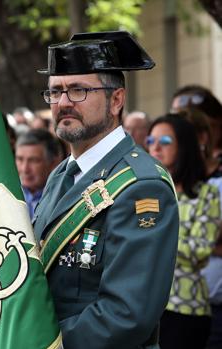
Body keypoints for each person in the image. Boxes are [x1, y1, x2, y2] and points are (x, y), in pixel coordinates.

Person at [32, 31, 179, 348]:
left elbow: (127, 313)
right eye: (55, 92)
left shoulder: (141, 186)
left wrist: (41, 342)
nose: (64, 103)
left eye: (79, 90)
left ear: (117, 100)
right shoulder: (62, 174)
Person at [146, 114, 220, 349]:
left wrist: (153, 237)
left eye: (165, 141)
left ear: (184, 146)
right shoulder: (142, 190)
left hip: (185, 308)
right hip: (143, 304)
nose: (155, 147)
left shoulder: (205, 193)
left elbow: (199, 251)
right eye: (150, 140)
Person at [15, 129, 62, 218]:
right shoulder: (7, 196)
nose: (25, 169)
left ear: (53, 163)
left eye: (33, 160)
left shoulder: (62, 199)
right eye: (20, 159)